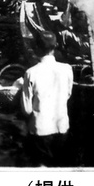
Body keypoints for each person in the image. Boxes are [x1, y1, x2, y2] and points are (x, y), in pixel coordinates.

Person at [21, 31, 74, 167]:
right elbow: (68, 95)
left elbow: (27, 110)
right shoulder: (67, 69)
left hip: (40, 130)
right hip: (62, 128)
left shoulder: (30, 73)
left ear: (36, 48)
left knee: (41, 168)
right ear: (55, 47)